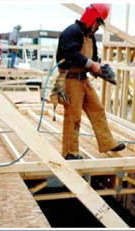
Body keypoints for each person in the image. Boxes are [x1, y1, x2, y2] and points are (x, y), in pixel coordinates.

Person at [55, 3, 125, 160]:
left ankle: (107, 142)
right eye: (97, 23)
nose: (97, 27)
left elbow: (92, 59)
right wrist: (91, 64)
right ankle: (70, 152)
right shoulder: (71, 32)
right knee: (73, 117)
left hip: (83, 79)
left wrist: (97, 68)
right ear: (91, 18)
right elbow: (72, 55)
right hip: (71, 79)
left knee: (97, 109)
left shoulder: (90, 36)